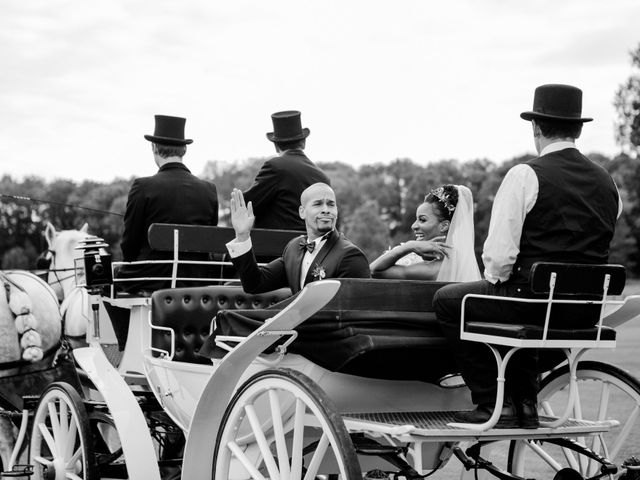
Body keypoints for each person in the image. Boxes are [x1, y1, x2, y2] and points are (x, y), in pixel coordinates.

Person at [433, 84, 622, 428]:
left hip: (532, 300)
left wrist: (497, 282)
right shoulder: (607, 182)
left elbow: (498, 260)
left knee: (450, 301)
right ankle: (525, 400)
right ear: (578, 129)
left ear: (535, 127)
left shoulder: (526, 174)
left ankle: (492, 401)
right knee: (515, 302)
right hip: (585, 311)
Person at [116, 115, 219, 294]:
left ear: (154, 147)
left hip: (152, 280)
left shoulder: (142, 186)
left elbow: (129, 244)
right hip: (198, 278)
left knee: (110, 278)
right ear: (184, 149)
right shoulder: (209, 189)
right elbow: (208, 239)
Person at [226, 182, 370, 294]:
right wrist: (243, 235)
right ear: (302, 212)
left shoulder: (350, 256)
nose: (326, 209)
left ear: (336, 211)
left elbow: (352, 314)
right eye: (318, 204)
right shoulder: (294, 247)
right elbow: (255, 284)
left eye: (331, 204)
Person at [369, 184, 481, 282]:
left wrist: (410, 246)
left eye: (422, 220)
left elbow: (373, 270)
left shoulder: (435, 269)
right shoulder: (460, 261)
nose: (414, 226)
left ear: (444, 226)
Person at [242, 110, 331, 231]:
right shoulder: (323, 177)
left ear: (276, 145)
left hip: (276, 246)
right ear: (304, 143)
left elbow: (246, 206)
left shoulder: (275, 166)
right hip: (314, 247)